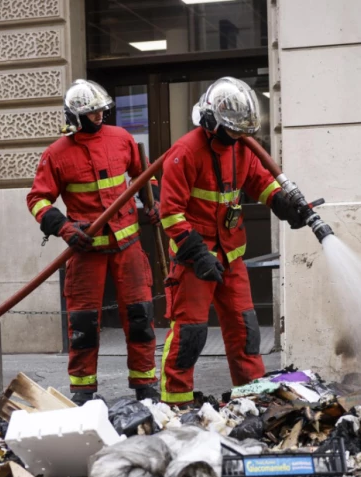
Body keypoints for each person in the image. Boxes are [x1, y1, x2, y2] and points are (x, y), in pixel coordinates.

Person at [158, 77, 309, 405]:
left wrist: (284, 205)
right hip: (194, 260)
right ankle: (175, 403)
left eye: (244, 132)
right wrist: (197, 253)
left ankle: (252, 400)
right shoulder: (184, 153)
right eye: (234, 131)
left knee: (246, 331)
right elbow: (170, 213)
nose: (239, 137)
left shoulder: (242, 148)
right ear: (212, 122)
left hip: (231, 257)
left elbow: (261, 181)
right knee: (190, 334)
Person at [26, 79, 162, 405]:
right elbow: (37, 200)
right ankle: (83, 391)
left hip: (128, 247)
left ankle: (145, 386)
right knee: (83, 324)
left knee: (141, 317)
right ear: (75, 116)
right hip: (86, 250)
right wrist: (64, 228)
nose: (99, 115)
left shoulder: (122, 139)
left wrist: (154, 202)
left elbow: (145, 176)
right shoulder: (56, 154)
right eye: (92, 112)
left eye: (101, 109)